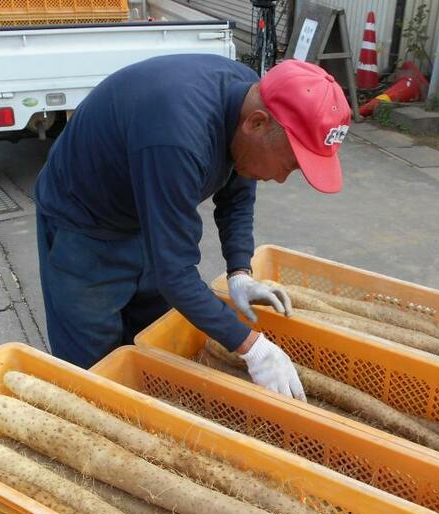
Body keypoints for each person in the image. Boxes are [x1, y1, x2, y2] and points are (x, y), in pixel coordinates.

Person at [34, 55, 351, 399]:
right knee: (92, 368)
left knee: (155, 344)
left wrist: (239, 271)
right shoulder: (177, 134)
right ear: (256, 124)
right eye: (288, 164)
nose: (280, 178)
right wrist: (253, 348)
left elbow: (238, 194)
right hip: (84, 227)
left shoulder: (248, 97)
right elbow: (176, 275)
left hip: (146, 213)